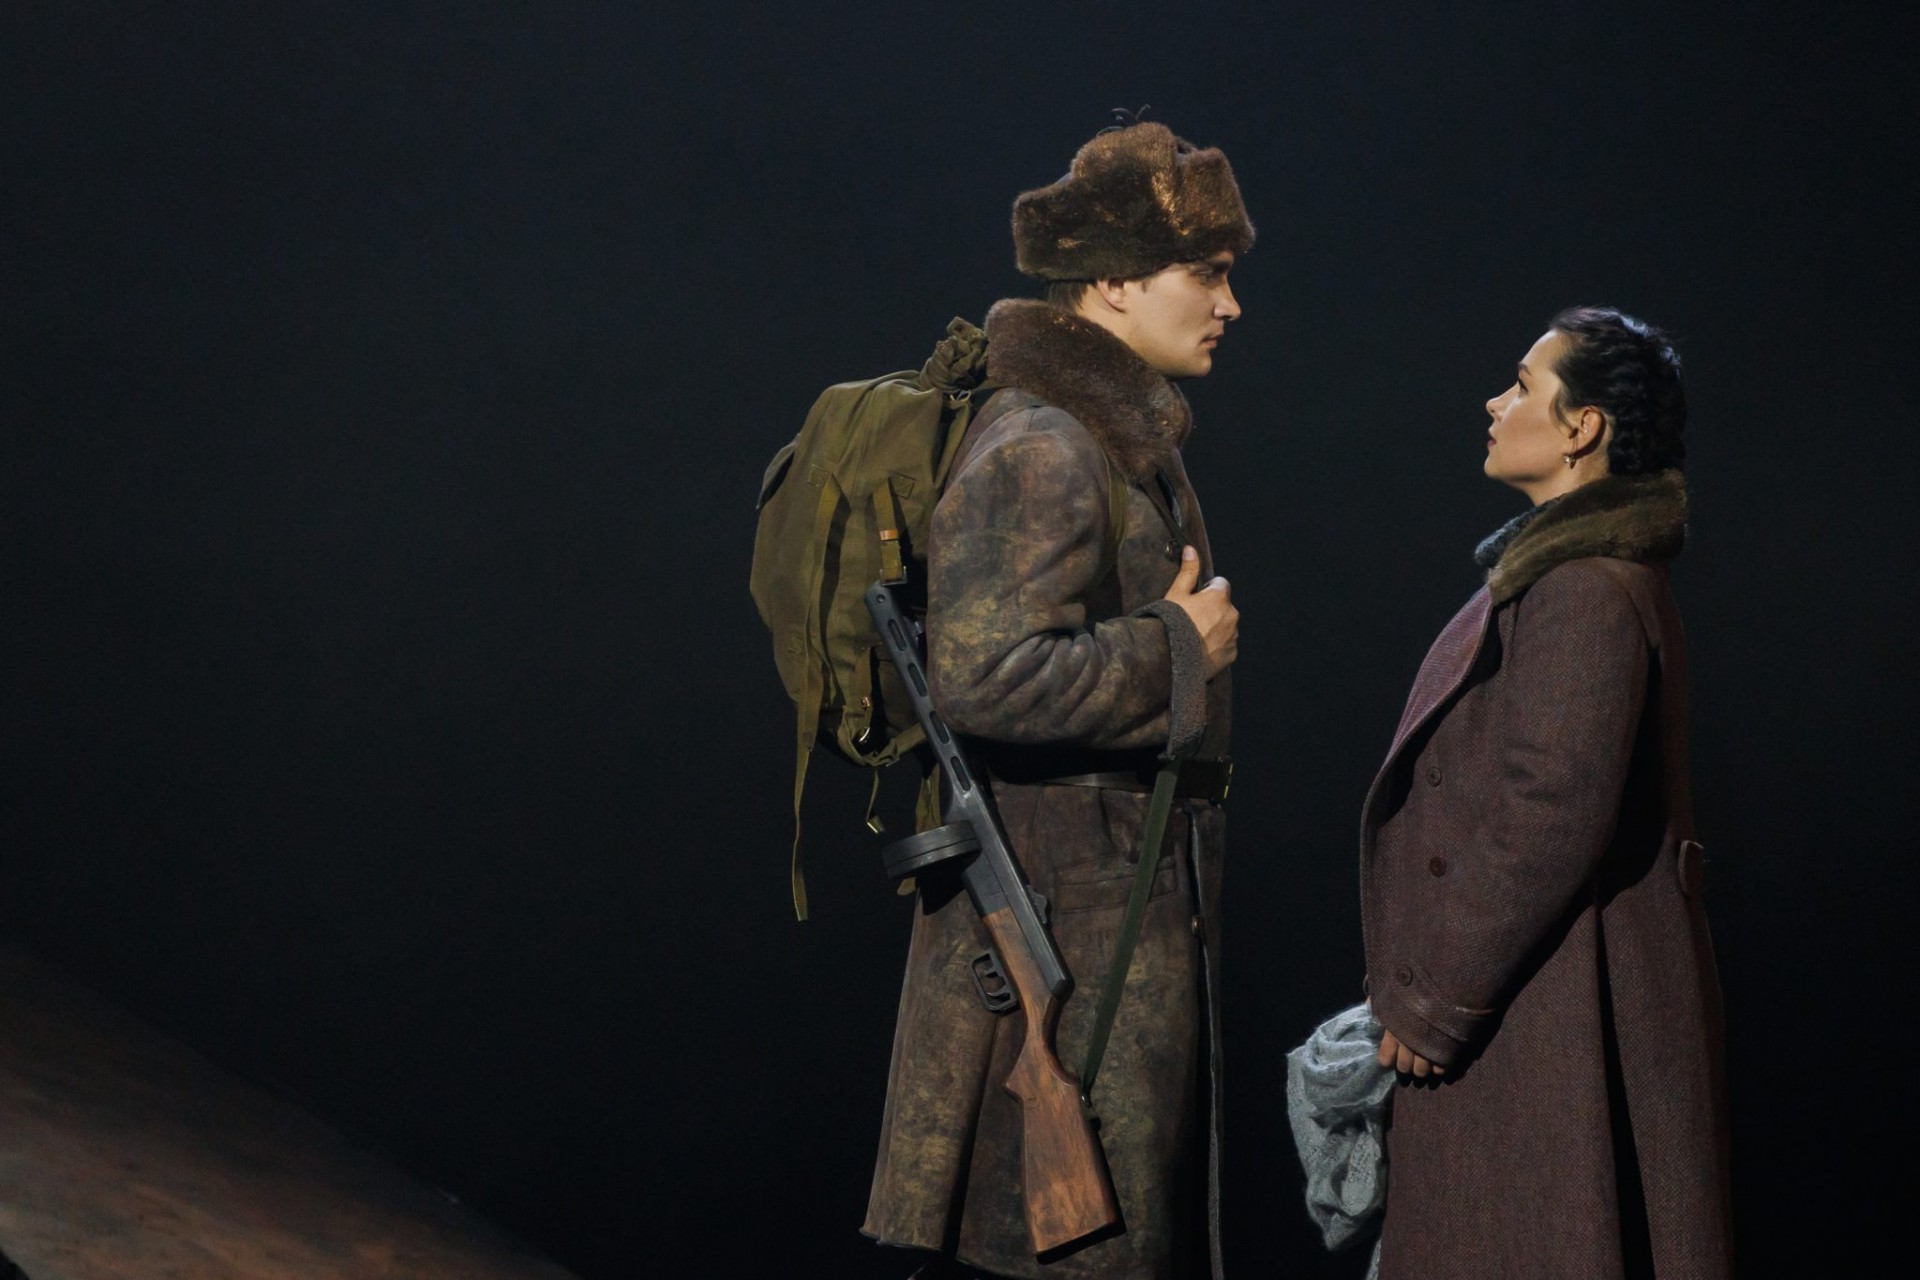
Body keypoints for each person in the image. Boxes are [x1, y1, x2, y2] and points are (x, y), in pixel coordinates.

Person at [860, 120, 1251, 1280]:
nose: (1229, 304)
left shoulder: (1116, 442)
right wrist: (1173, 648)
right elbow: (983, 673)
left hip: (1100, 912)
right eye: (1207, 272)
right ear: (1116, 283)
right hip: (1061, 926)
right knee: (1063, 1246)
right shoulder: (1047, 444)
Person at [1361, 308, 1733, 1278]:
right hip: (1534, 1003)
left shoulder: (1585, 589)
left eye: (1523, 385)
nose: (1495, 402)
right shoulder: (1571, 576)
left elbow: (1550, 809)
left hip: (1545, 1011)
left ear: (1582, 427)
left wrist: (1437, 995)